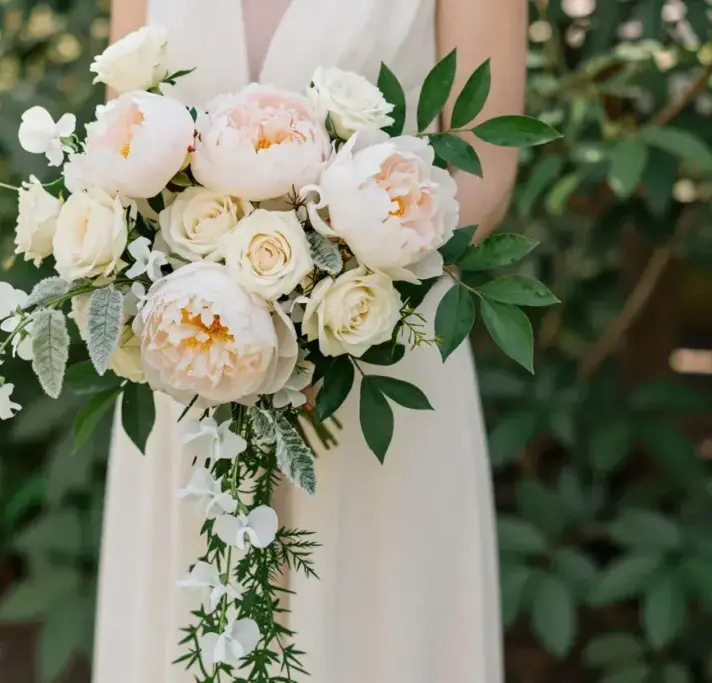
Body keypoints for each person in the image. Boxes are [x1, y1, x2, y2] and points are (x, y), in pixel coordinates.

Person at [92, 0, 527, 681]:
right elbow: (120, 135)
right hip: (196, 358)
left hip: (374, 344)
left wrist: (317, 312)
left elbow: (483, 175)